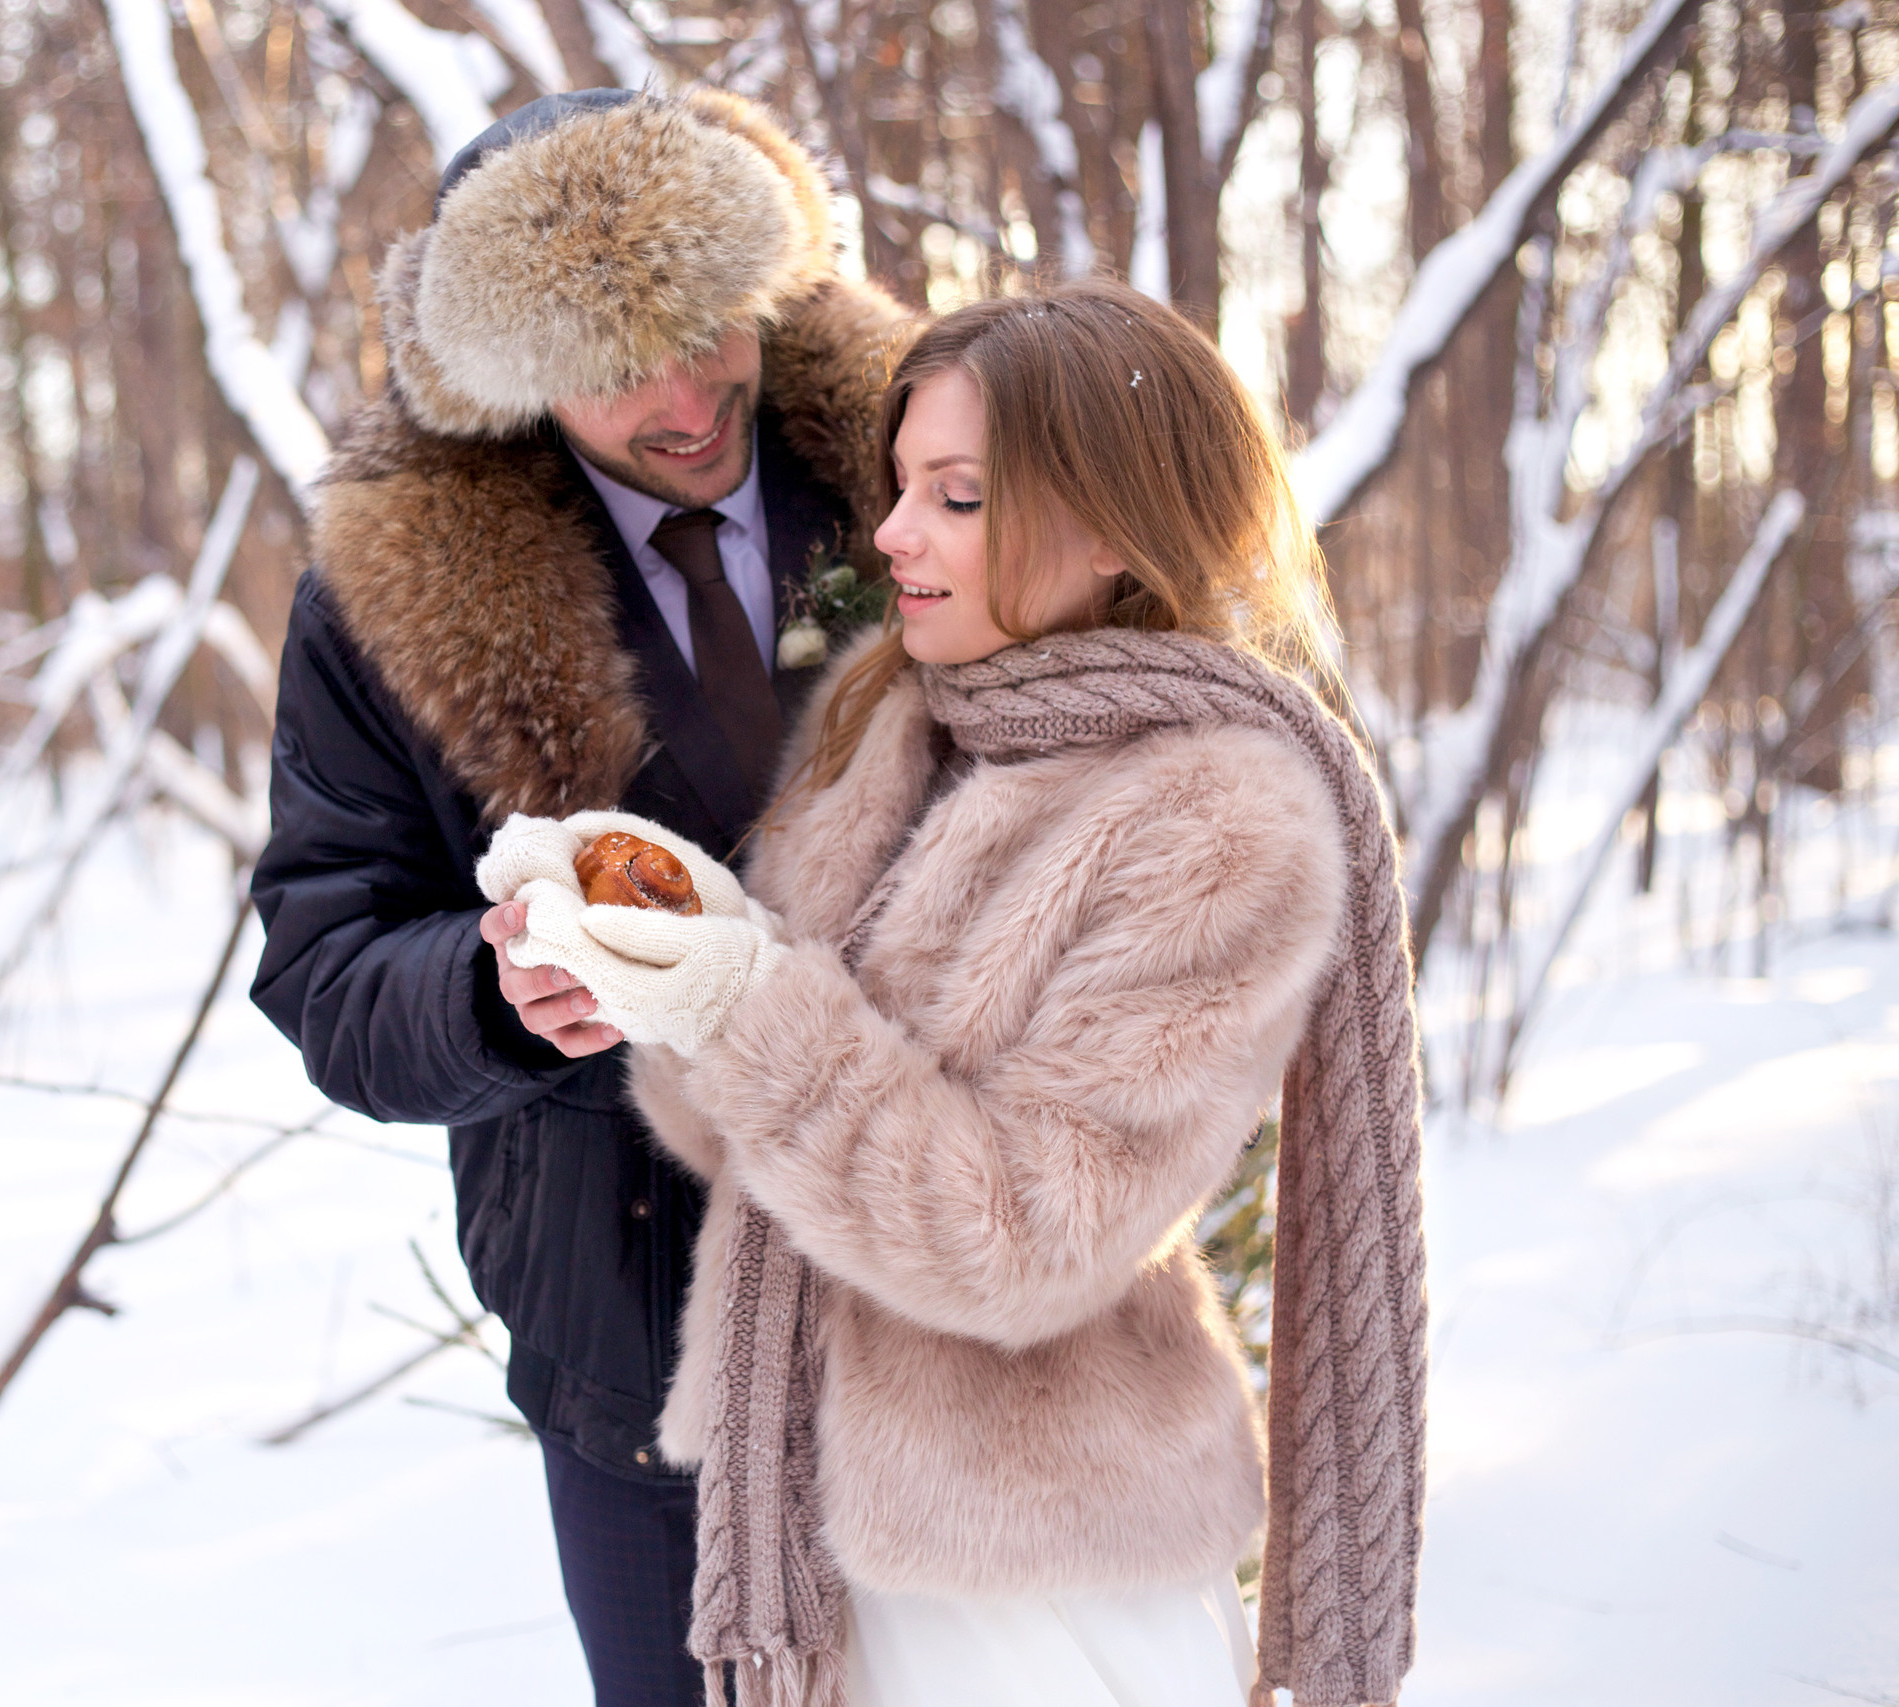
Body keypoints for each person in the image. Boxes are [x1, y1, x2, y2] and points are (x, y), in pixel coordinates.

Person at [596, 285, 1430, 1706]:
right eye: (903, 485)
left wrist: (746, 1004)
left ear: (1114, 525)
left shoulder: (1222, 816)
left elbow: (1024, 1239)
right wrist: (660, 961)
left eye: (958, 497)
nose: (893, 536)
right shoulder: (898, 713)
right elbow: (741, 1140)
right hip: (830, 1538)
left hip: (1049, 1580)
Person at [248, 88, 905, 1706]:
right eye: (617, 366)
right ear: (517, 378)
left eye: (708, 330)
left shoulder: (914, 474)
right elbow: (325, 959)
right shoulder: (381, 603)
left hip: (939, 1276)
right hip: (637, 1329)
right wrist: (485, 993)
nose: (688, 400)